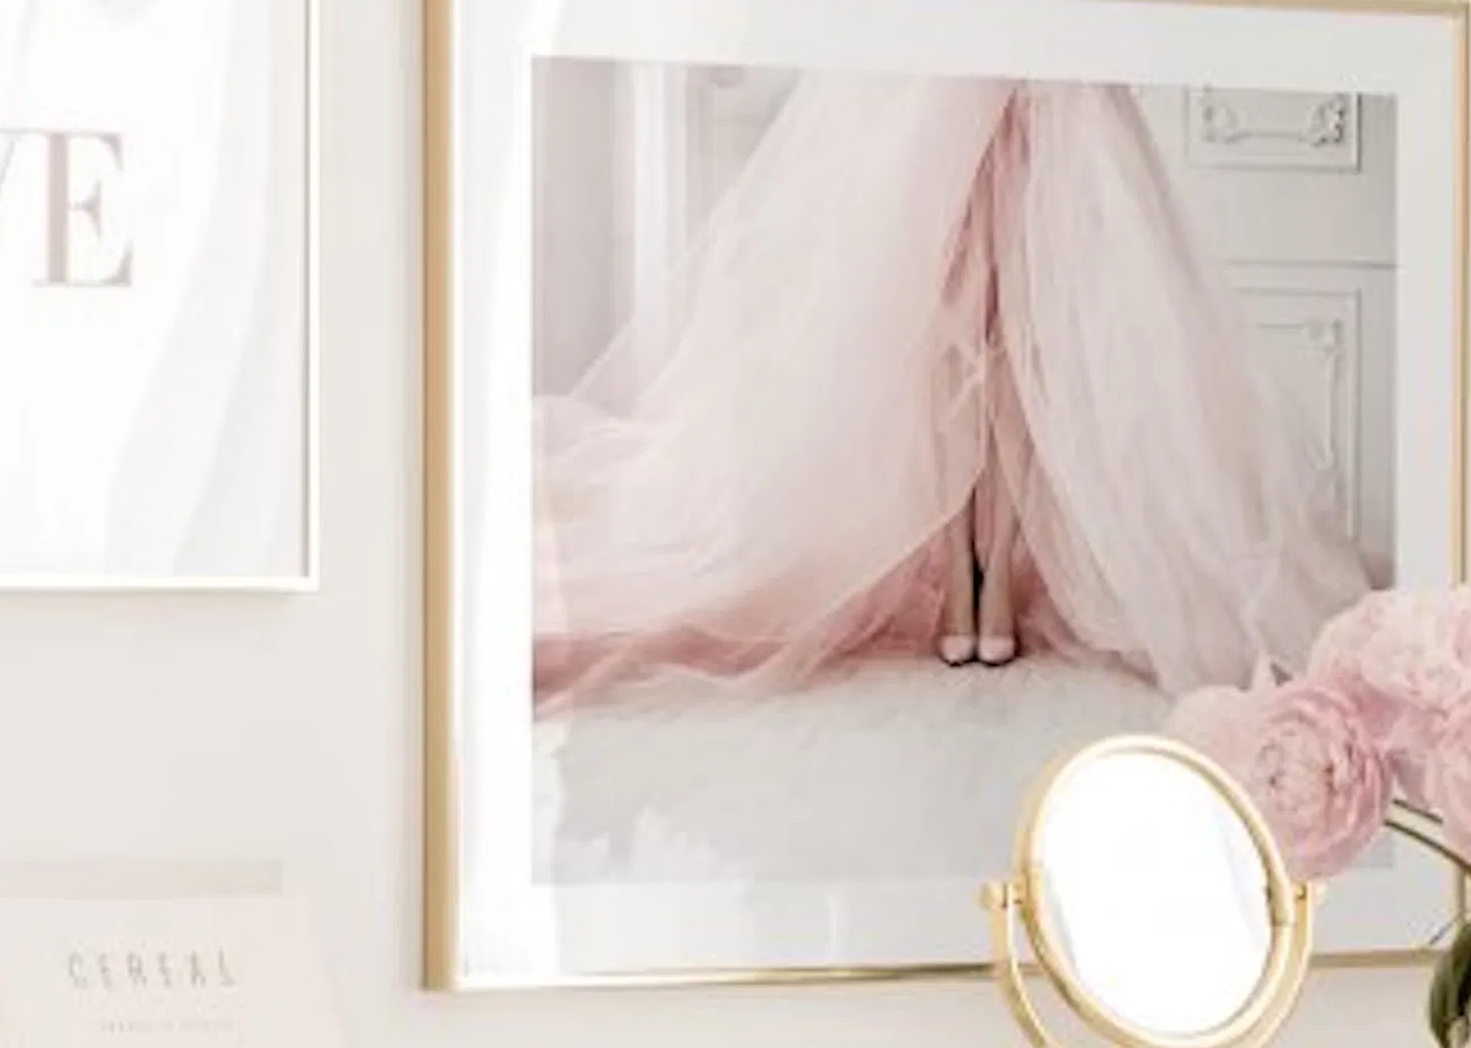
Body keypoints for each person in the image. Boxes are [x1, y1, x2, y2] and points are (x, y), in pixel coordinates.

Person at [534, 69, 1368, 707]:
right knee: (942, 301)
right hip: (938, 62)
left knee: (1033, 312)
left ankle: (990, 572)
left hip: (1055, 67)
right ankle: (965, 570)